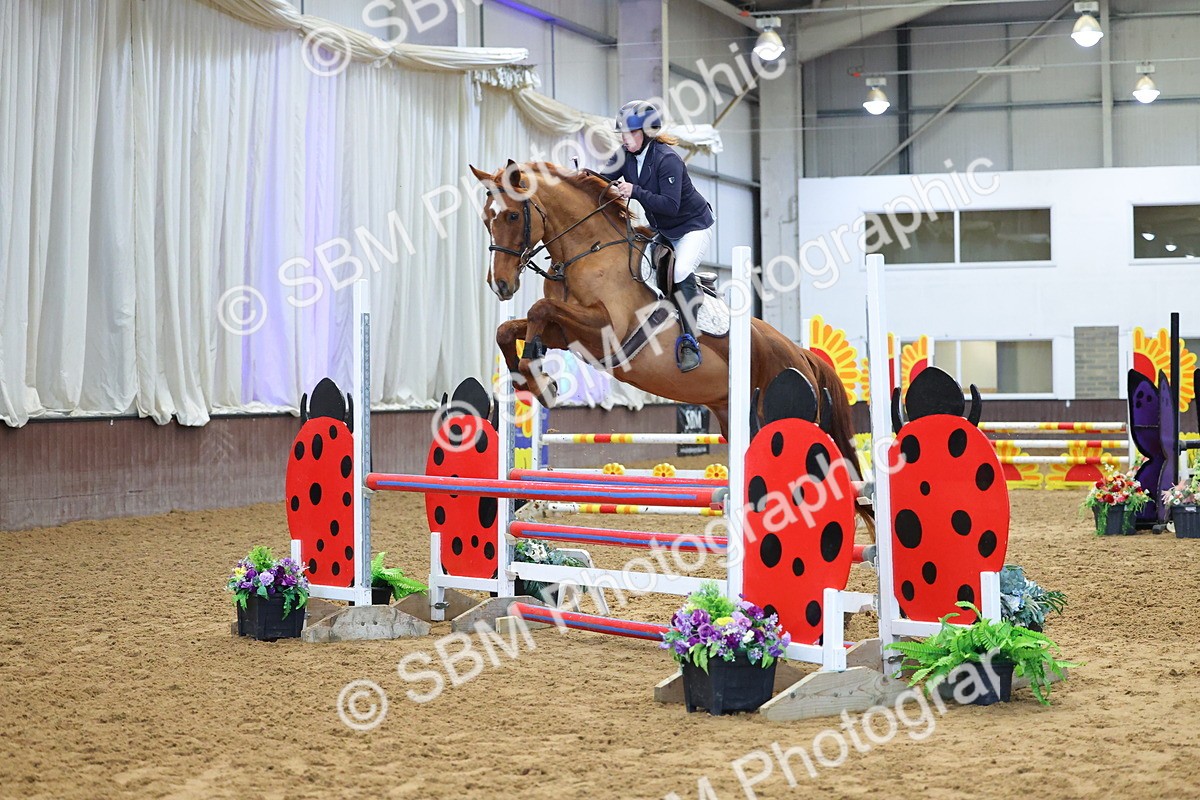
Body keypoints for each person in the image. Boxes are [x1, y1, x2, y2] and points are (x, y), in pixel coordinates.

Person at [600, 100, 715, 373]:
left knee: (680, 271)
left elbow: (670, 206)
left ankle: (689, 340)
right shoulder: (625, 154)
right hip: (663, 230)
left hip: (692, 227)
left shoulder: (667, 159)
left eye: (631, 134)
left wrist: (634, 191)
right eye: (623, 135)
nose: (626, 140)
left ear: (648, 132)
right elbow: (600, 179)